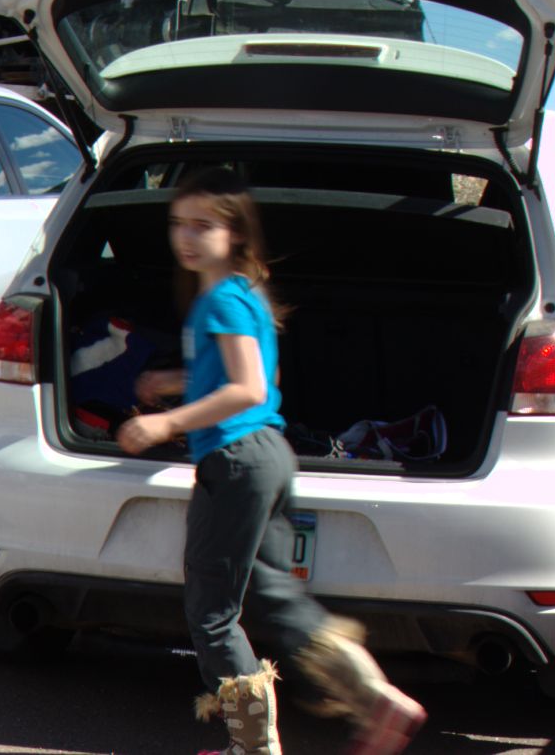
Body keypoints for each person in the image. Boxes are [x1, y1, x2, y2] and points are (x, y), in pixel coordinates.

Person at [116, 167, 425, 755]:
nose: (186, 236)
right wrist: (178, 379)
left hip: (233, 463)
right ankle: (374, 696)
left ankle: (253, 745)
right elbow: (266, 376)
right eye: (178, 224)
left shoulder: (216, 301)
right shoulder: (245, 294)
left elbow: (251, 388)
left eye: (203, 225)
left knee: (211, 612)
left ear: (234, 233)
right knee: (272, 596)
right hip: (272, 458)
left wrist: (165, 421)